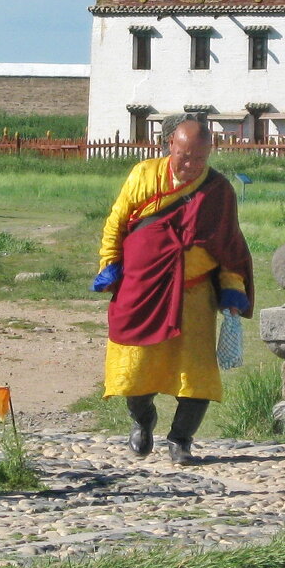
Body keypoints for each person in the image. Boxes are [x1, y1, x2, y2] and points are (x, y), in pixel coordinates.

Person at [94, 115, 254, 465]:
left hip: (194, 295)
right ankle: (142, 418)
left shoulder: (218, 190)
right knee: (135, 366)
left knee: (196, 372)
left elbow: (228, 245)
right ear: (170, 146)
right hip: (142, 287)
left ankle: (181, 440)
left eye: (200, 158)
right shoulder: (144, 175)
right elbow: (117, 221)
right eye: (185, 156)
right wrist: (109, 263)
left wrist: (232, 289)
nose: (192, 166)